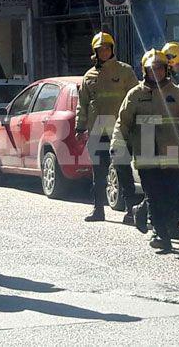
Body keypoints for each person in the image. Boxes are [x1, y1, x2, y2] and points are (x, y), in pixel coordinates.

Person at [111, 49, 179, 252]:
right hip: (146, 153)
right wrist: (117, 145)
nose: (156, 73)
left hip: (172, 153)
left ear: (166, 70)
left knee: (174, 194)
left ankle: (142, 212)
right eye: (152, 69)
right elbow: (122, 123)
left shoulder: (177, 95)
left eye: (160, 69)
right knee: (154, 195)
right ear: (145, 71)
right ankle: (160, 235)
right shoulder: (135, 95)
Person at [76, 32, 140, 224]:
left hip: (119, 131)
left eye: (107, 48)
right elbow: (83, 104)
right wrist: (80, 128)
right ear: (95, 51)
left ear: (112, 49)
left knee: (123, 170)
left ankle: (131, 210)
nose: (104, 52)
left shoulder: (125, 71)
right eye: (100, 49)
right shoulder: (89, 76)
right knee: (99, 173)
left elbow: (136, 99)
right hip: (97, 131)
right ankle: (98, 209)